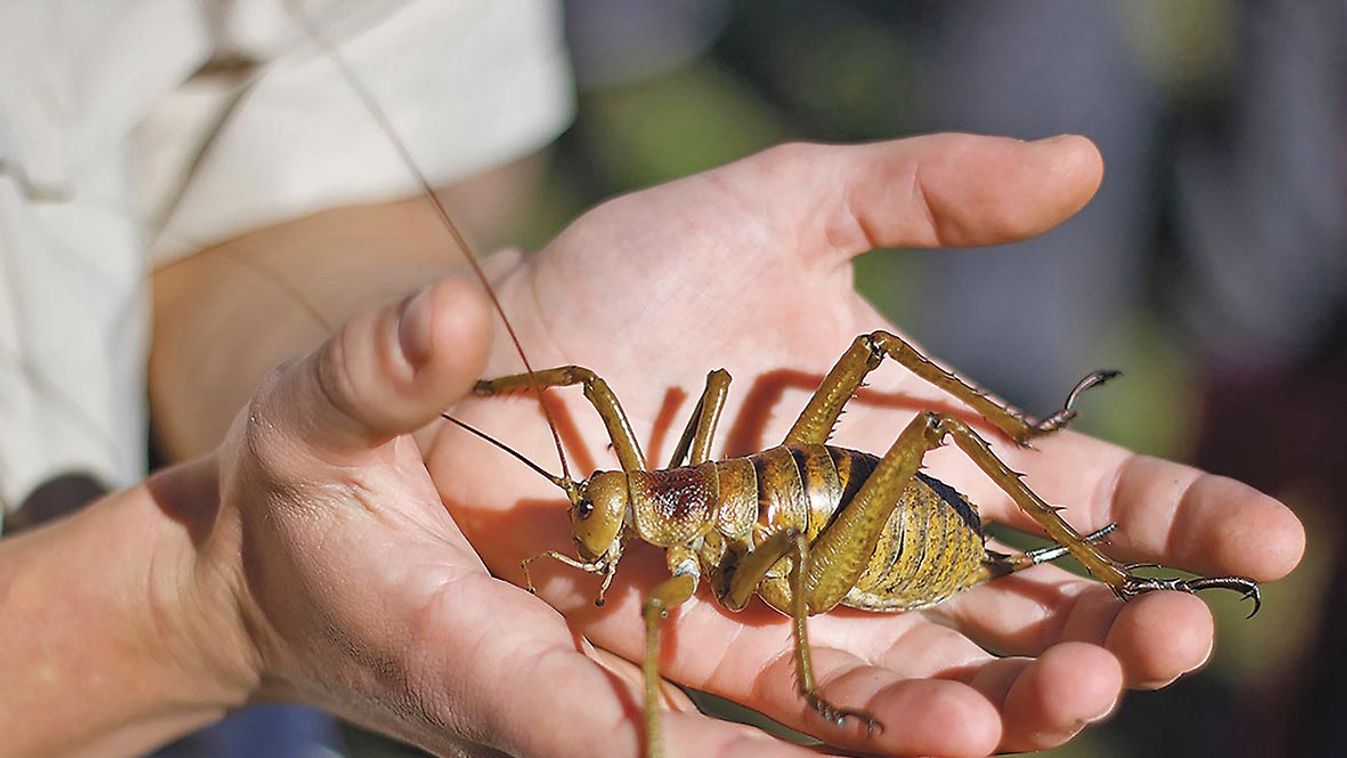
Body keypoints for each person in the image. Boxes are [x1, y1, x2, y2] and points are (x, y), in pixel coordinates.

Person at [0, 5, 1306, 758]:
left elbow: (253, 192)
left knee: (872, 385)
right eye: (601, 503)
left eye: (604, 501)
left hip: (851, 536)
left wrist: (451, 362)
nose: (596, 518)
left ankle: (1068, 509)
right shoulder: (640, 514)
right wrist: (196, 607)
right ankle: (1075, 537)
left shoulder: (666, 542)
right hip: (786, 518)